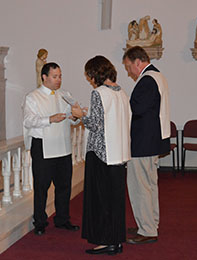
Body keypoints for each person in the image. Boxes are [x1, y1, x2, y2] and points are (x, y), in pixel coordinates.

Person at [72, 56, 131, 255]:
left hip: (101, 153)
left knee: (100, 200)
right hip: (119, 152)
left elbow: (95, 125)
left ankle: (106, 241)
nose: (89, 79)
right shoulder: (121, 91)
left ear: (96, 73)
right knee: (115, 200)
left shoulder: (99, 93)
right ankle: (116, 240)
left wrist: (81, 115)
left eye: (89, 75)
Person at [22, 62, 80, 236]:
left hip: (63, 145)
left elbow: (71, 121)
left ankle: (62, 219)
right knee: (41, 187)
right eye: (55, 77)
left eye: (60, 76)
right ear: (44, 77)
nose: (58, 80)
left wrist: (76, 116)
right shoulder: (33, 97)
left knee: (64, 186)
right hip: (43, 146)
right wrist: (49, 119)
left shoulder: (64, 95)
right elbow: (28, 121)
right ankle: (40, 221)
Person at [122, 46, 170, 244]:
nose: (128, 71)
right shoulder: (157, 76)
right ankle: (149, 224)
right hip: (152, 140)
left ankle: (148, 230)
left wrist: (120, 104)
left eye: (128, 66)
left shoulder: (147, 80)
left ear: (137, 62)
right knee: (149, 186)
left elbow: (137, 109)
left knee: (140, 186)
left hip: (143, 142)